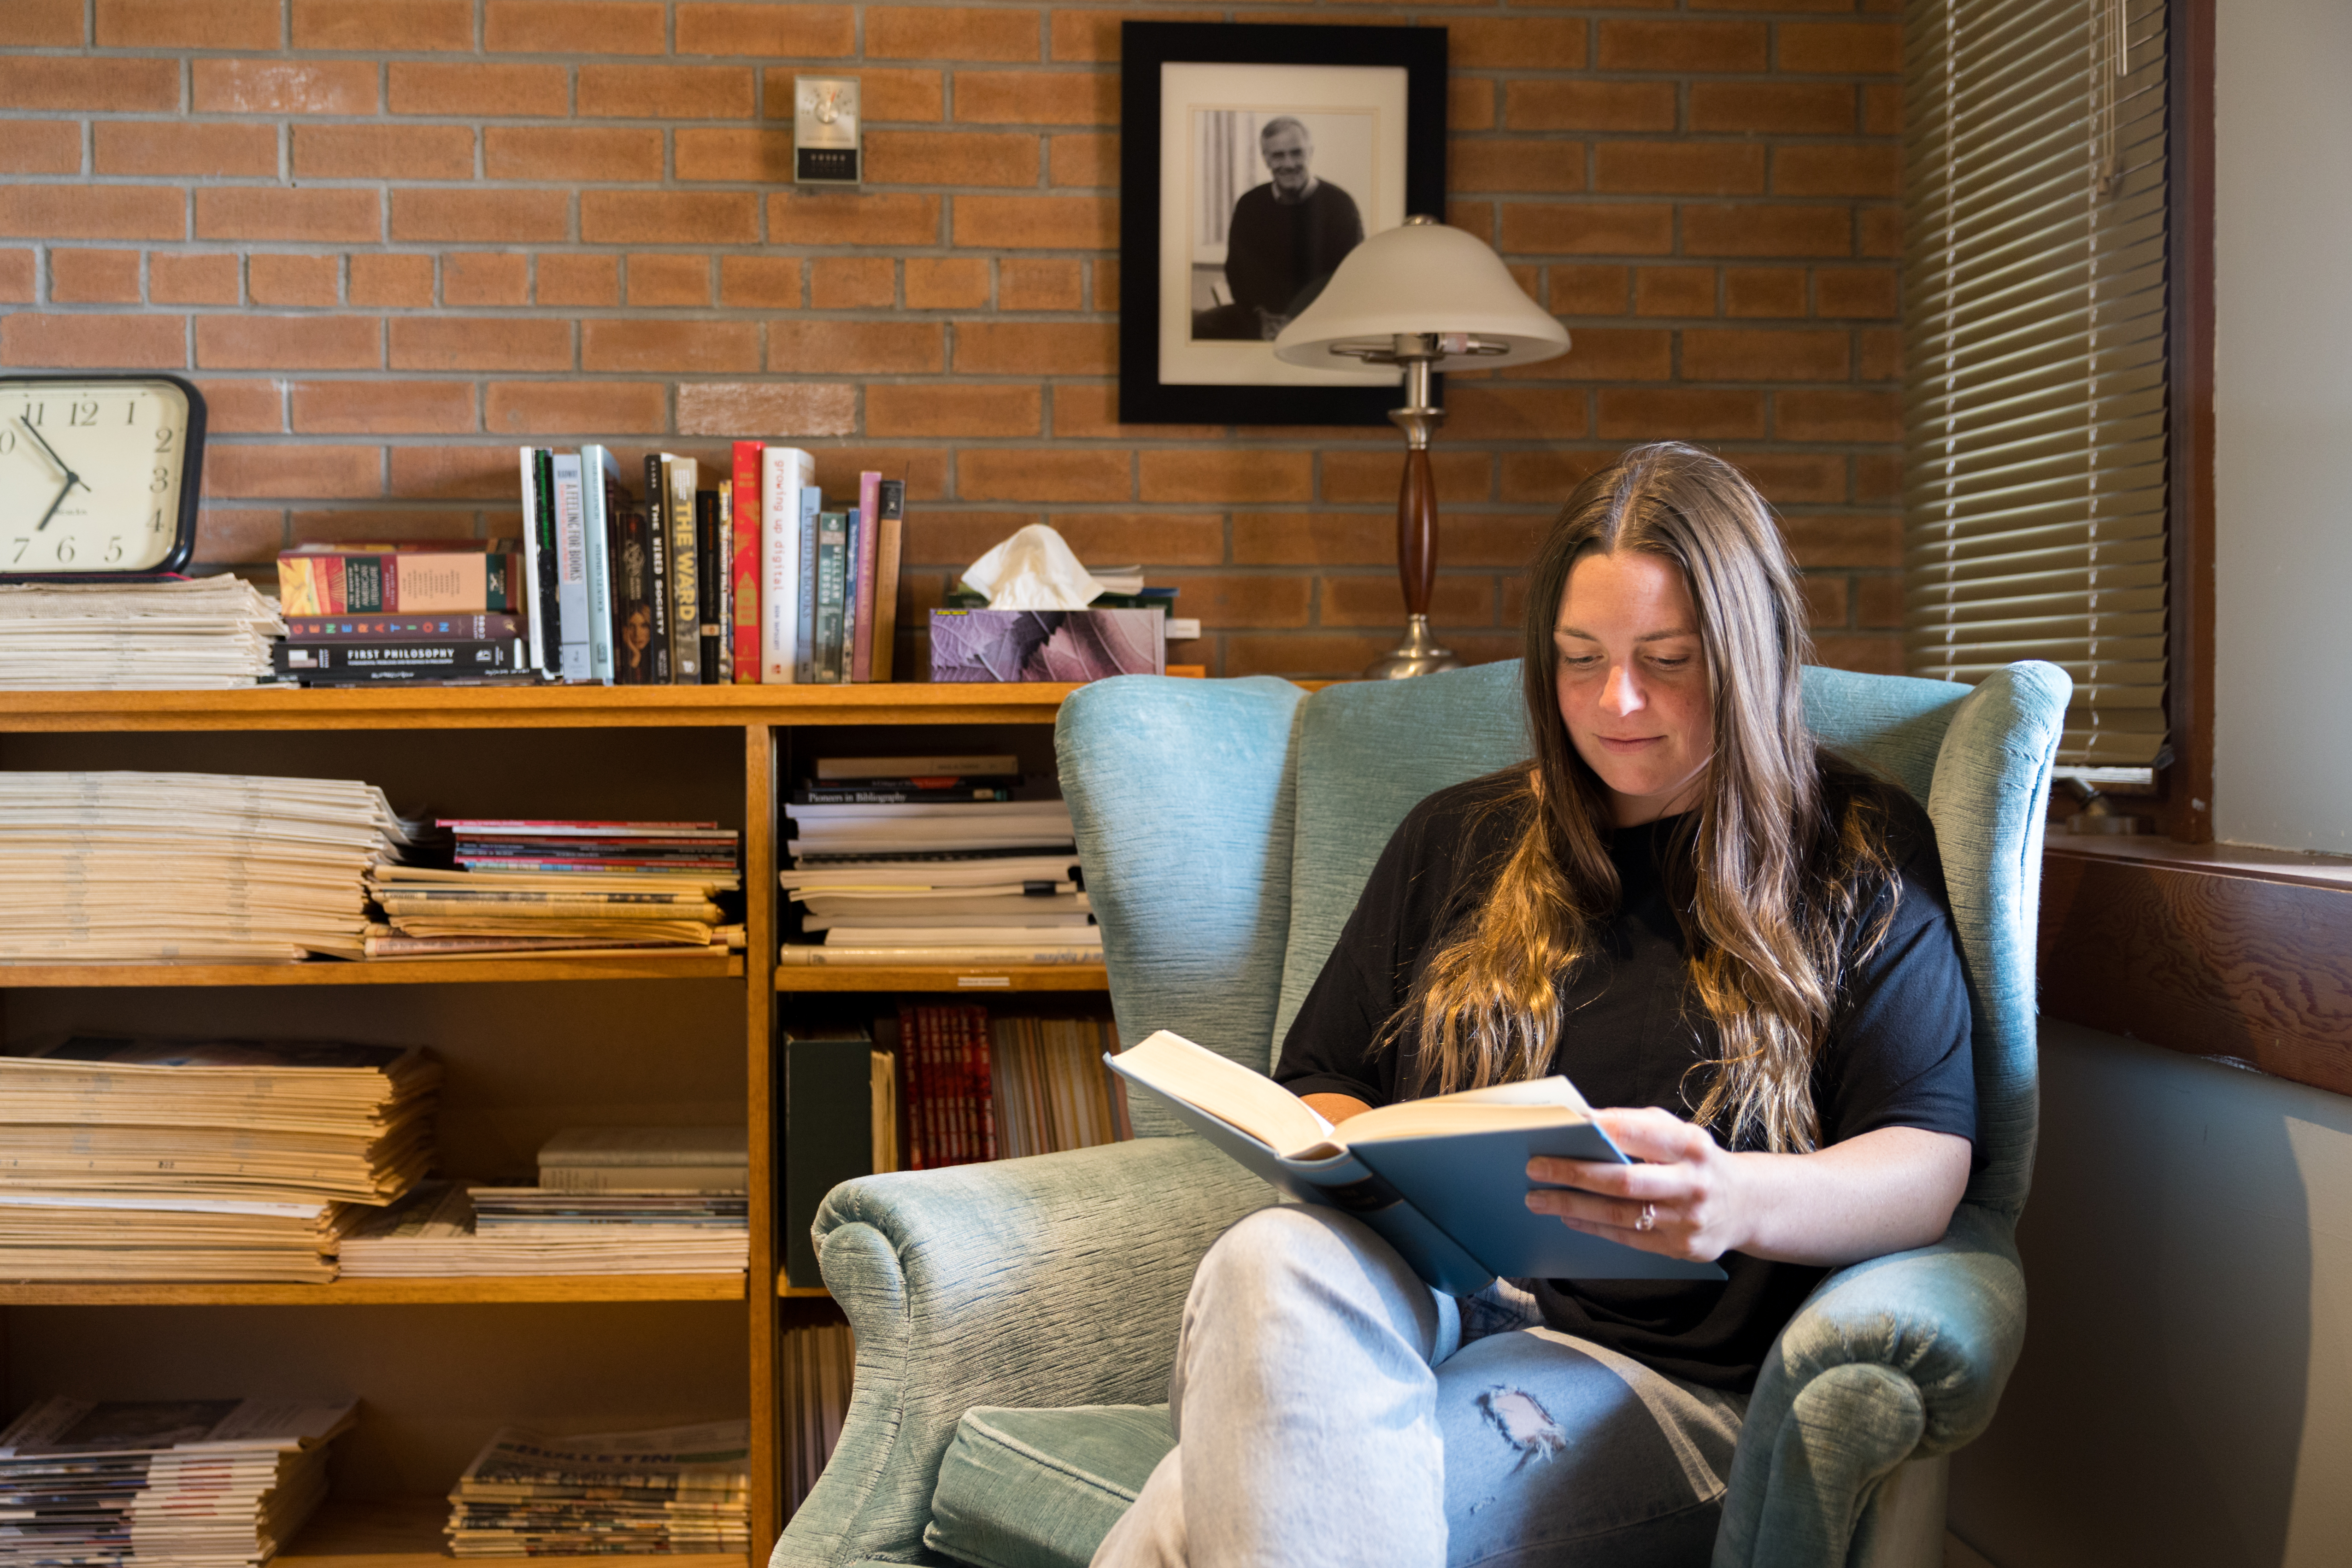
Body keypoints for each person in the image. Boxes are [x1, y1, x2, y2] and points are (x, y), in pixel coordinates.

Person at [1091, 443, 1978, 1568]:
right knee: (1268, 1255)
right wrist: (1353, 1154)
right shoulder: (1456, 837)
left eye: (1667, 661)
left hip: (1657, 1379)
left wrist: (1734, 1199)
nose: (1616, 702)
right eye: (1578, 659)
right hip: (1429, 1307)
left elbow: (1927, 1161)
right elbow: (1327, 1079)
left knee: (1195, 1510)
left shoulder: (1855, 851)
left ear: (1748, 655)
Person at [1193, 117, 1364, 342]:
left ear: (1310, 153)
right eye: (1278, 156)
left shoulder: (1340, 204)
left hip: (1320, 319)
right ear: (1266, 159)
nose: (1289, 164)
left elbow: (1349, 277)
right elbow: (1236, 271)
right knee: (1198, 326)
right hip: (1261, 319)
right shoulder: (1249, 204)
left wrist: (1297, 320)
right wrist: (1260, 315)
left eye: (1297, 153)